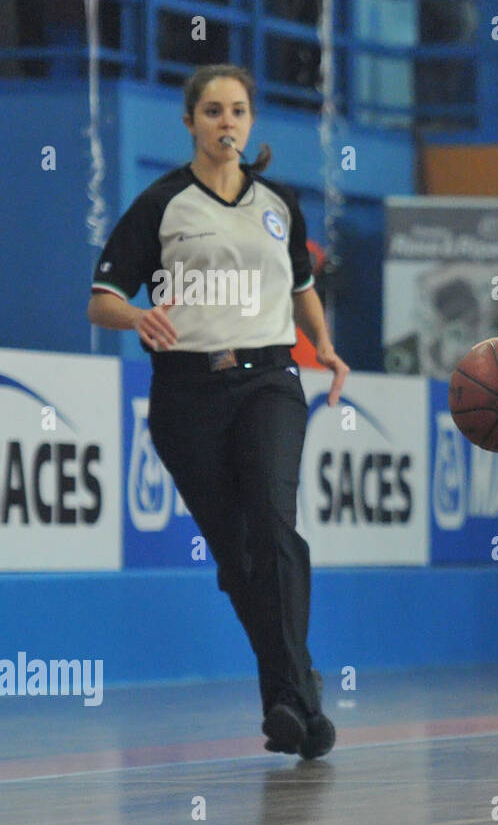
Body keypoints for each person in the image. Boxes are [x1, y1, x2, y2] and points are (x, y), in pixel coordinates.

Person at [87, 64, 349, 759]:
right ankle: (296, 692)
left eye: (237, 110)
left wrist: (323, 341)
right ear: (189, 121)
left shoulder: (279, 203)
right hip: (185, 394)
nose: (225, 122)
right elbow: (101, 296)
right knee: (237, 560)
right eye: (211, 111)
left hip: (268, 380)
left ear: (251, 121)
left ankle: (291, 698)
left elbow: (300, 284)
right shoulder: (162, 203)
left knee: (271, 523)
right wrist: (137, 316)